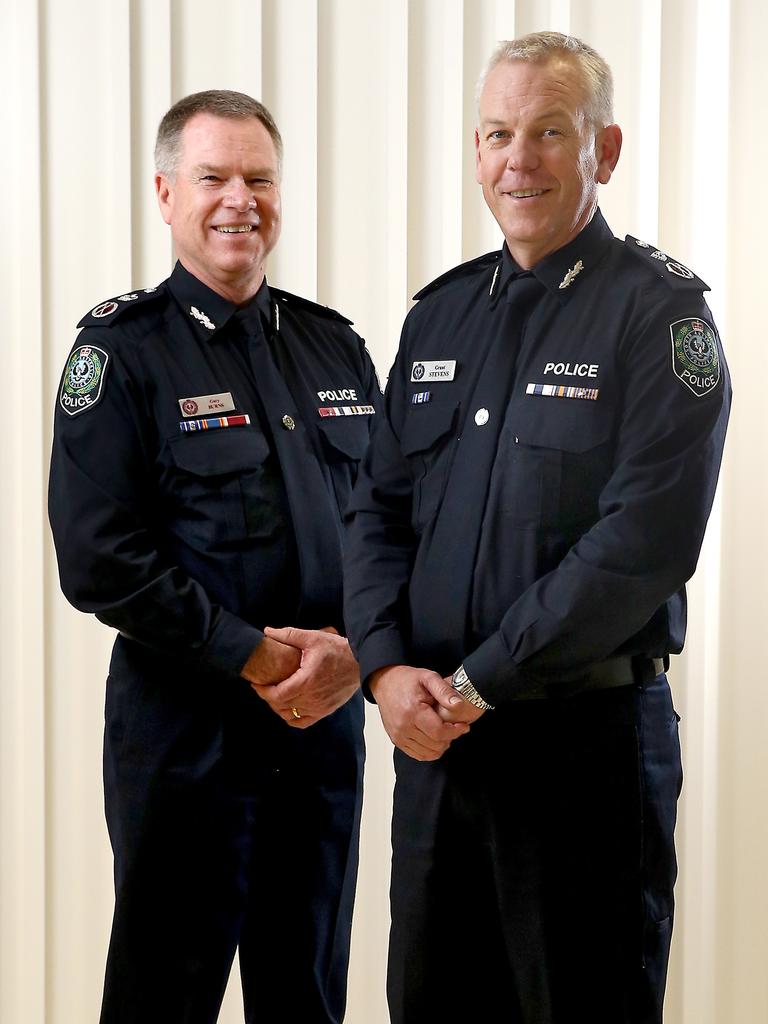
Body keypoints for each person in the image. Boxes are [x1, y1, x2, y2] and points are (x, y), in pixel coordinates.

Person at [344, 31, 730, 1024]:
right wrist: (387, 671)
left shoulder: (660, 318)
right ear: (477, 153)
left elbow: (641, 544)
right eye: (498, 134)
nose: (519, 160)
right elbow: (377, 513)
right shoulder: (438, 318)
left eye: (549, 133)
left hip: (583, 758)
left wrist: (480, 682)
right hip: (436, 753)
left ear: (603, 150)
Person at [49, 90, 381, 1024]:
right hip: (184, 742)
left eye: (260, 178)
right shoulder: (120, 354)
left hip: (320, 738)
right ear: (165, 193)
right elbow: (98, 557)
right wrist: (256, 653)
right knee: (166, 992)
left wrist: (355, 650)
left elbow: (395, 527)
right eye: (213, 177)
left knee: (307, 995)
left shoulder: (335, 348)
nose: (240, 199)